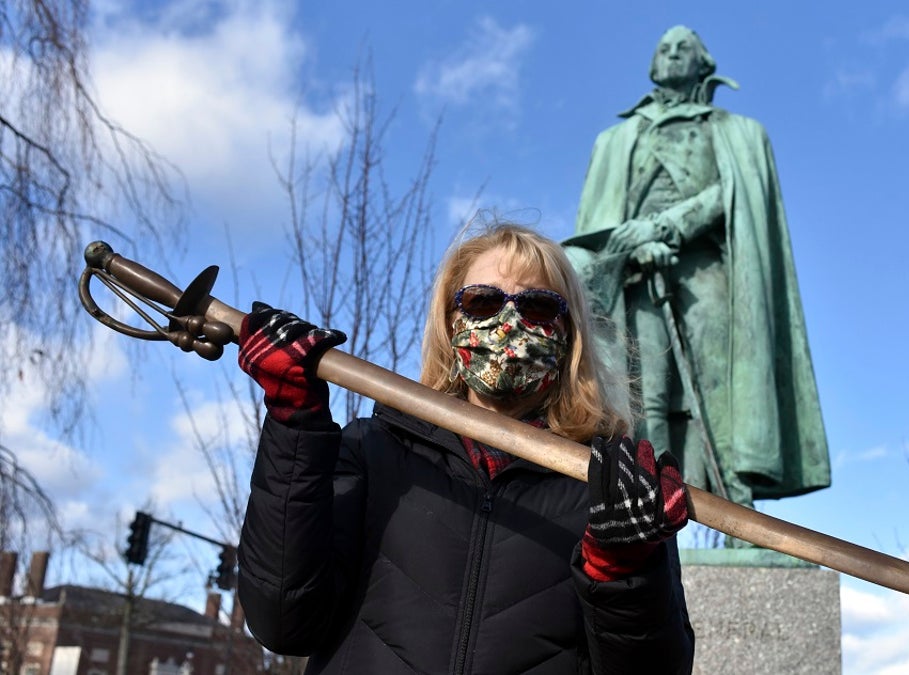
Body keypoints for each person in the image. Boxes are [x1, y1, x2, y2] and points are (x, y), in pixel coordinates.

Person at [234, 223, 695, 673]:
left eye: (537, 306)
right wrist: (294, 423)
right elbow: (282, 622)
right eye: (482, 301)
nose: (508, 322)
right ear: (451, 322)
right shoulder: (372, 451)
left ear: (568, 334)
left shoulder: (610, 495)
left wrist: (623, 572)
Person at [568, 25, 830, 513]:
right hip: (635, 276)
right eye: (663, 49)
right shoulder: (618, 138)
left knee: (721, 386)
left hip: (709, 276)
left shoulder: (734, 132)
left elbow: (733, 194)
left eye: (681, 48)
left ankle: (740, 506)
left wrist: (666, 228)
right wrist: (630, 248)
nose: (670, 55)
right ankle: (645, 505)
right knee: (645, 389)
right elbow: (602, 218)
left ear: (702, 62)